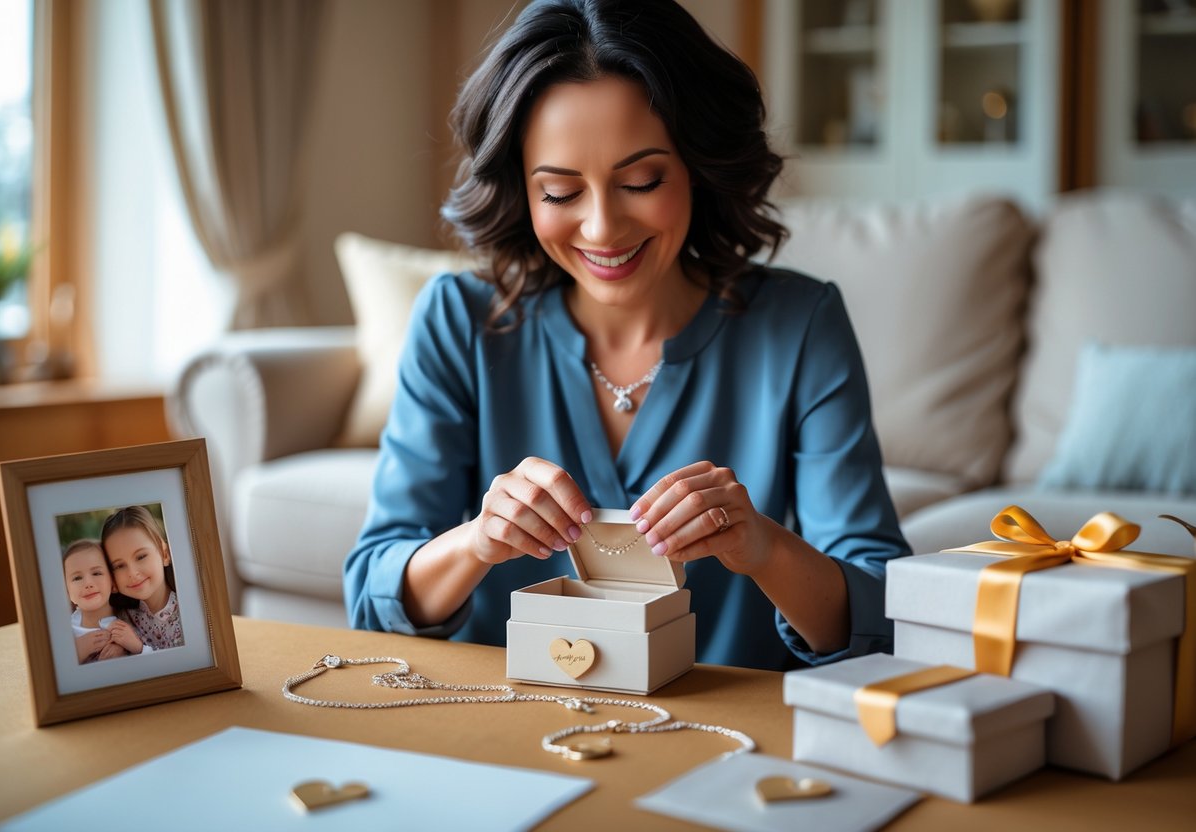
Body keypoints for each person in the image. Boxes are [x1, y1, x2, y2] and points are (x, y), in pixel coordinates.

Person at [344, 0, 909, 671]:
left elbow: (883, 616)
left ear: (698, 166)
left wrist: (763, 546)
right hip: (501, 728)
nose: (603, 228)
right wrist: (476, 542)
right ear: (519, 192)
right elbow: (375, 593)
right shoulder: (459, 320)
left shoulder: (798, 325)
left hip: (727, 744)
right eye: (559, 192)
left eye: (641, 180)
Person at [102, 506, 184, 651]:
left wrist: (139, 649)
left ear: (164, 554)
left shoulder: (191, 612)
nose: (132, 573)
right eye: (120, 566)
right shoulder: (119, 621)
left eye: (141, 557)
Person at [62, 539, 145, 663]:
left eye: (96, 573)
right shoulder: (63, 631)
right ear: (67, 592)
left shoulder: (132, 622)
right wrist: (75, 653)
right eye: (77, 578)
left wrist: (131, 649)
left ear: (113, 583)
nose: (88, 584)